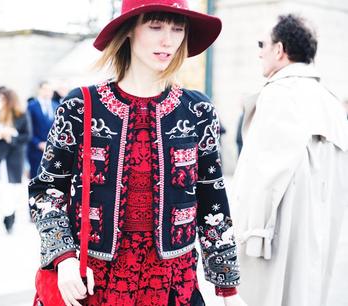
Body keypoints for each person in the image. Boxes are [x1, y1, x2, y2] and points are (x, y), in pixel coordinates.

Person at [28, 1, 246, 305]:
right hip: (95, 280)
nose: (168, 40)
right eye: (155, 26)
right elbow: (47, 189)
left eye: (177, 29)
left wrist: (228, 290)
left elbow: (212, 202)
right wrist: (62, 258)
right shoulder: (81, 105)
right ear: (129, 30)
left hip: (173, 282)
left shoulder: (198, 110)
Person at [231, 14, 348, 306]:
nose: (260, 52)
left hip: (277, 241)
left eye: (263, 44)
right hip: (322, 242)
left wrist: (245, 240)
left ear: (280, 50)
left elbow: (259, 178)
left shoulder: (279, 96)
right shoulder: (330, 102)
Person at [0, 89, 32, 233]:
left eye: (3, 99)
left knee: (15, 187)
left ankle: (11, 213)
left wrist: (12, 137)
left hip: (16, 156)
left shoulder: (22, 114)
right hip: (2, 155)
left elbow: (27, 135)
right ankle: (8, 217)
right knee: (6, 187)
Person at [27, 81, 58, 179]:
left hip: (52, 150)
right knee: (35, 178)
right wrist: (38, 143)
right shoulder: (31, 106)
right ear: (39, 90)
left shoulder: (56, 105)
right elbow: (28, 128)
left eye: (50, 90)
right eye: (45, 89)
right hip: (36, 150)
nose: (48, 92)